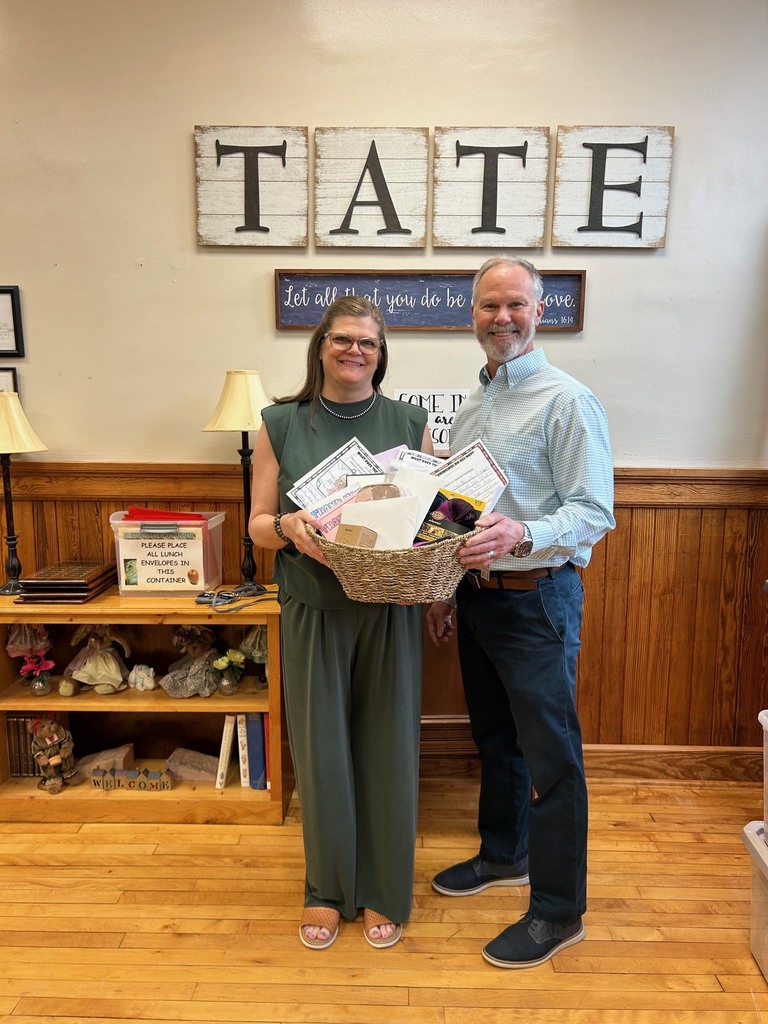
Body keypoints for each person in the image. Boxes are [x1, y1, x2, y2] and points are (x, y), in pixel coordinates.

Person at [426, 255, 615, 970]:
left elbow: (594, 511)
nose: (500, 318)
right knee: (496, 741)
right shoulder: (474, 406)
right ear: (470, 314)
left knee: (553, 760)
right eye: (486, 307)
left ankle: (559, 912)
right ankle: (504, 856)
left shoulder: (567, 401)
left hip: (539, 598)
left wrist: (524, 534)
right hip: (478, 601)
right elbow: (458, 512)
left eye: (514, 305)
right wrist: (444, 590)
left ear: (541, 312)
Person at [249, 296, 432, 951]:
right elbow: (256, 524)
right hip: (312, 608)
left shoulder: (409, 423)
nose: (356, 351)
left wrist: (437, 587)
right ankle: (325, 890)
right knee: (322, 753)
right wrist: (285, 527)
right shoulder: (280, 422)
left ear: (381, 357)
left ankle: (384, 889)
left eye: (369, 344)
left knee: (386, 751)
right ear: (321, 345)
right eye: (343, 339)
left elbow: (431, 525)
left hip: (388, 613)